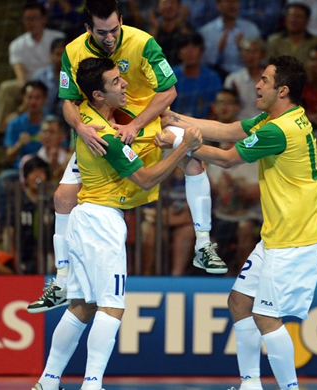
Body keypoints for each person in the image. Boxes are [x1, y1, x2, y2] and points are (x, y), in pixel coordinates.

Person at [27, 0, 224, 314]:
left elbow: (169, 92)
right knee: (63, 198)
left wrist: (136, 124)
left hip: (143, 124)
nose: (109, 38)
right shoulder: (73, 52)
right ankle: (61, 282)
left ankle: (203, 245)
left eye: (114, 29)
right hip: (98, 134)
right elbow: (67, 102)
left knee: (193, 160)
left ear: (121, 19)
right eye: (101, 32)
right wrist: (80, 126)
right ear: (87, 28)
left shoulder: (143, 43)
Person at [31, 56, 202, 390]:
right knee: (112, 306)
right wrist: (184, 149)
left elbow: (71, 104)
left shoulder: (85, 116)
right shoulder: (106, 136)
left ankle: (47, 382)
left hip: (83, 218)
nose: (124, 84)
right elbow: (146, 179)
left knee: (82, 305)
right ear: (97, 95)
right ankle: (92, 384)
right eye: (115, 82)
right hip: (101, 222)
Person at [160, 55, 317, 390]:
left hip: (297, 238)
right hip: (280, 234)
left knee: (266, 316)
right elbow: (224, 129)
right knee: (239, 302)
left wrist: (177, 142)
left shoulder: (278, 130)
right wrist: (168, 117)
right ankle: (251, 384)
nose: (257, 83)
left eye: (265, 79)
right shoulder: (280, 118)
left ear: (283, 90)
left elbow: (224, 158)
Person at [0, 1, 65, 147]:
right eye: (27, 19)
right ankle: (0, 133)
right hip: (30, 82)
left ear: (44, 19)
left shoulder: (57, 37)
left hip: (55, 79)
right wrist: (30, 93)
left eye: (34, 18)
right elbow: (21, 77)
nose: (31, 23)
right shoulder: (17, 45)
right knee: (7, 87)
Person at [0, 80, 47, 232]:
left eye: (37, 97)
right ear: (23, 100)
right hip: (20, 172)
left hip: (46, 172)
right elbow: (8, 157)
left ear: (44, 100)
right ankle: (5, 227)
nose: (33, 101)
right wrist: (19, 144)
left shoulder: (49, 124)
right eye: (29, 97)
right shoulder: (15, 124)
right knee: (4, 178)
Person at [198, 0, 261, 78]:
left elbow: (260, 59)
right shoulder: (206, 32)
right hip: (218, 76)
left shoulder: (251, 29)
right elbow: (204, 63)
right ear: (218, 5)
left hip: (246, 76)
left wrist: (244, 50)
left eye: (236, 1)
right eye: (228, 1)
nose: (232, 5)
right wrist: (219, 50)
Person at [170, 31, 222, 118]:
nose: (190, 52)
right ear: (179, 53)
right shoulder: (169, 76)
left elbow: (215, 109)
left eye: (194, 47)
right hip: (172, 125)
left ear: (201, 51)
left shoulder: (212, 78)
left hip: (205, 127)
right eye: (185, 47)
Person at [223, 37, 264, 120]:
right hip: (240, 125)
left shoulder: (271, 79)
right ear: (241, 55)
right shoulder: (232, 79)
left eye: (255, 51)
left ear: (263, 54)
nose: (251, 56)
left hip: (266, 125)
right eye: (247, 51)